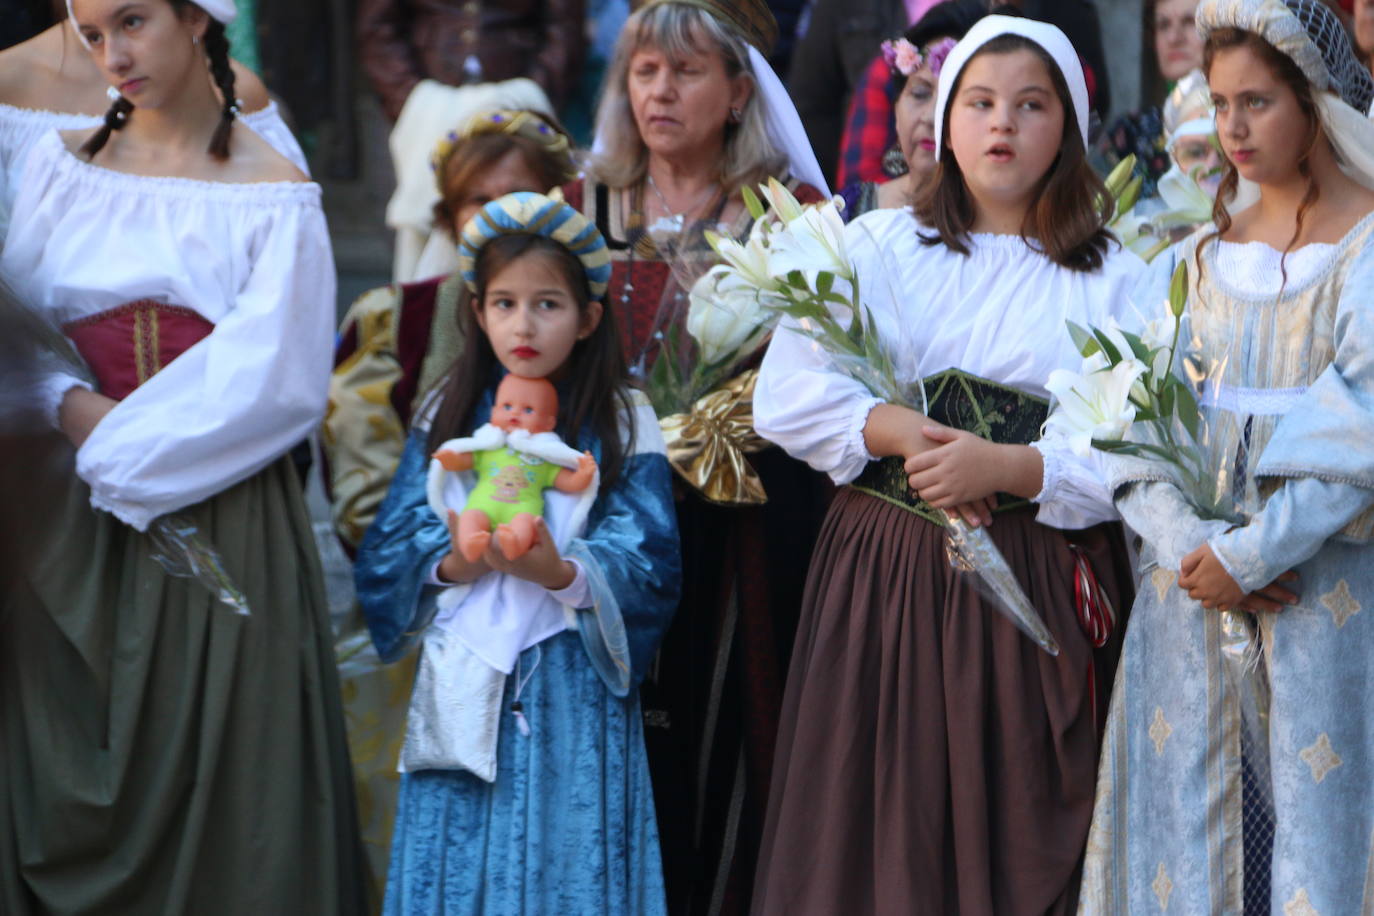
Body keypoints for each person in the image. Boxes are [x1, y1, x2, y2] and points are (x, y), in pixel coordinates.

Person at [752, 16, 1146, 914]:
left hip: (1027, 580)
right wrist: (894, 429)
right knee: (877, 813)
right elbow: (789, 393)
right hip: (885, 577)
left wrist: (1009, 466)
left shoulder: (1115, 276)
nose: (1001, 124)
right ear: (945, 120)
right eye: (979, 102)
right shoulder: (877, 248)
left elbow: (1131, 440)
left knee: (1010, 815)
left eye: (1030, 104)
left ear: (1070, 128)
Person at [0, 0, 367, 912]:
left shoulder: (275, 191)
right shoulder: (57, 170)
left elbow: (274, 383)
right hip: (61, 526)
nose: (112, 55)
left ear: (200, 18)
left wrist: (103, 436)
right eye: (92, 34)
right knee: (60, 763)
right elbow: (23, 335)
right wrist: (61, 400)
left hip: (221, 514)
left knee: (233, 793)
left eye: (133, 22)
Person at [1078, 1, 1374, 912]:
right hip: (1188, 600)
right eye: (1219, 103)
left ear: (1315, 103)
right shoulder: (1194, 259)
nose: (1232, 129)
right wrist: (1192, 550)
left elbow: (1360, 426)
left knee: (1313, 831)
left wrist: (1251, 556)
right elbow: (1125, 420)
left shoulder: (1365, 249)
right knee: (1192, 837)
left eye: (1258, 103)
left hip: (1318, 593)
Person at [570, 1, 830, 910]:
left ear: (735, 94)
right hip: (598, 530)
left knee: (724, 742)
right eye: (644, 71)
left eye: (684, 72)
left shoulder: (787, 215)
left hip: (740, 534)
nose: (660, 91)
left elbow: (827, 374)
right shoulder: (584, 207)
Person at [354, 191, 680, 915]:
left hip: (568, 683)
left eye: (547, 304)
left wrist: (559, 573)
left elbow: (650, 559)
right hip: (463, 672)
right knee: (457, 855)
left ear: (590, 317)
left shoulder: (623, 417)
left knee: (566, 852)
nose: (522, 324)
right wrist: (458, 560)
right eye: (503, 303)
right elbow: (389, 548)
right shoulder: (451, 408)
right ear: (476, 312)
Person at [327, 108, 578, 551]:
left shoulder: (587, 319)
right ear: (451, 215)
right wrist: (441, 563)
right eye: (479, 199)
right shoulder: (394, 318)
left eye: (519, 194)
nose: (500, 214)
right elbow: (364, 485)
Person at [0, 6, 307, 238]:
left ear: (193, 17)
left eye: (133, 22)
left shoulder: (233, 90)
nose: (114, 61)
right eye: (94, 36)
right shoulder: (10, 82)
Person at [357, 0, 584, 281]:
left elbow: (563, 27)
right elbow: (379, 27)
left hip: (518, 100)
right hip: (428, 103)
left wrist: (535, 89)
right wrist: (410, 99)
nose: (496, 215)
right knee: (422, 228)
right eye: (483, 200)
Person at [836, 0, 990, 219]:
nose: (931, 117)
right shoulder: (854, 210)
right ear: (896, 106)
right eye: (919, 94)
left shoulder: (1008, 236)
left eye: (954, 98)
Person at [1093, 0, 1204, 198]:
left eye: (1190, 22)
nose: (1174, 38)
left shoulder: (1235, 125)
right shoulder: (1129, 134)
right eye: (1163, 25)